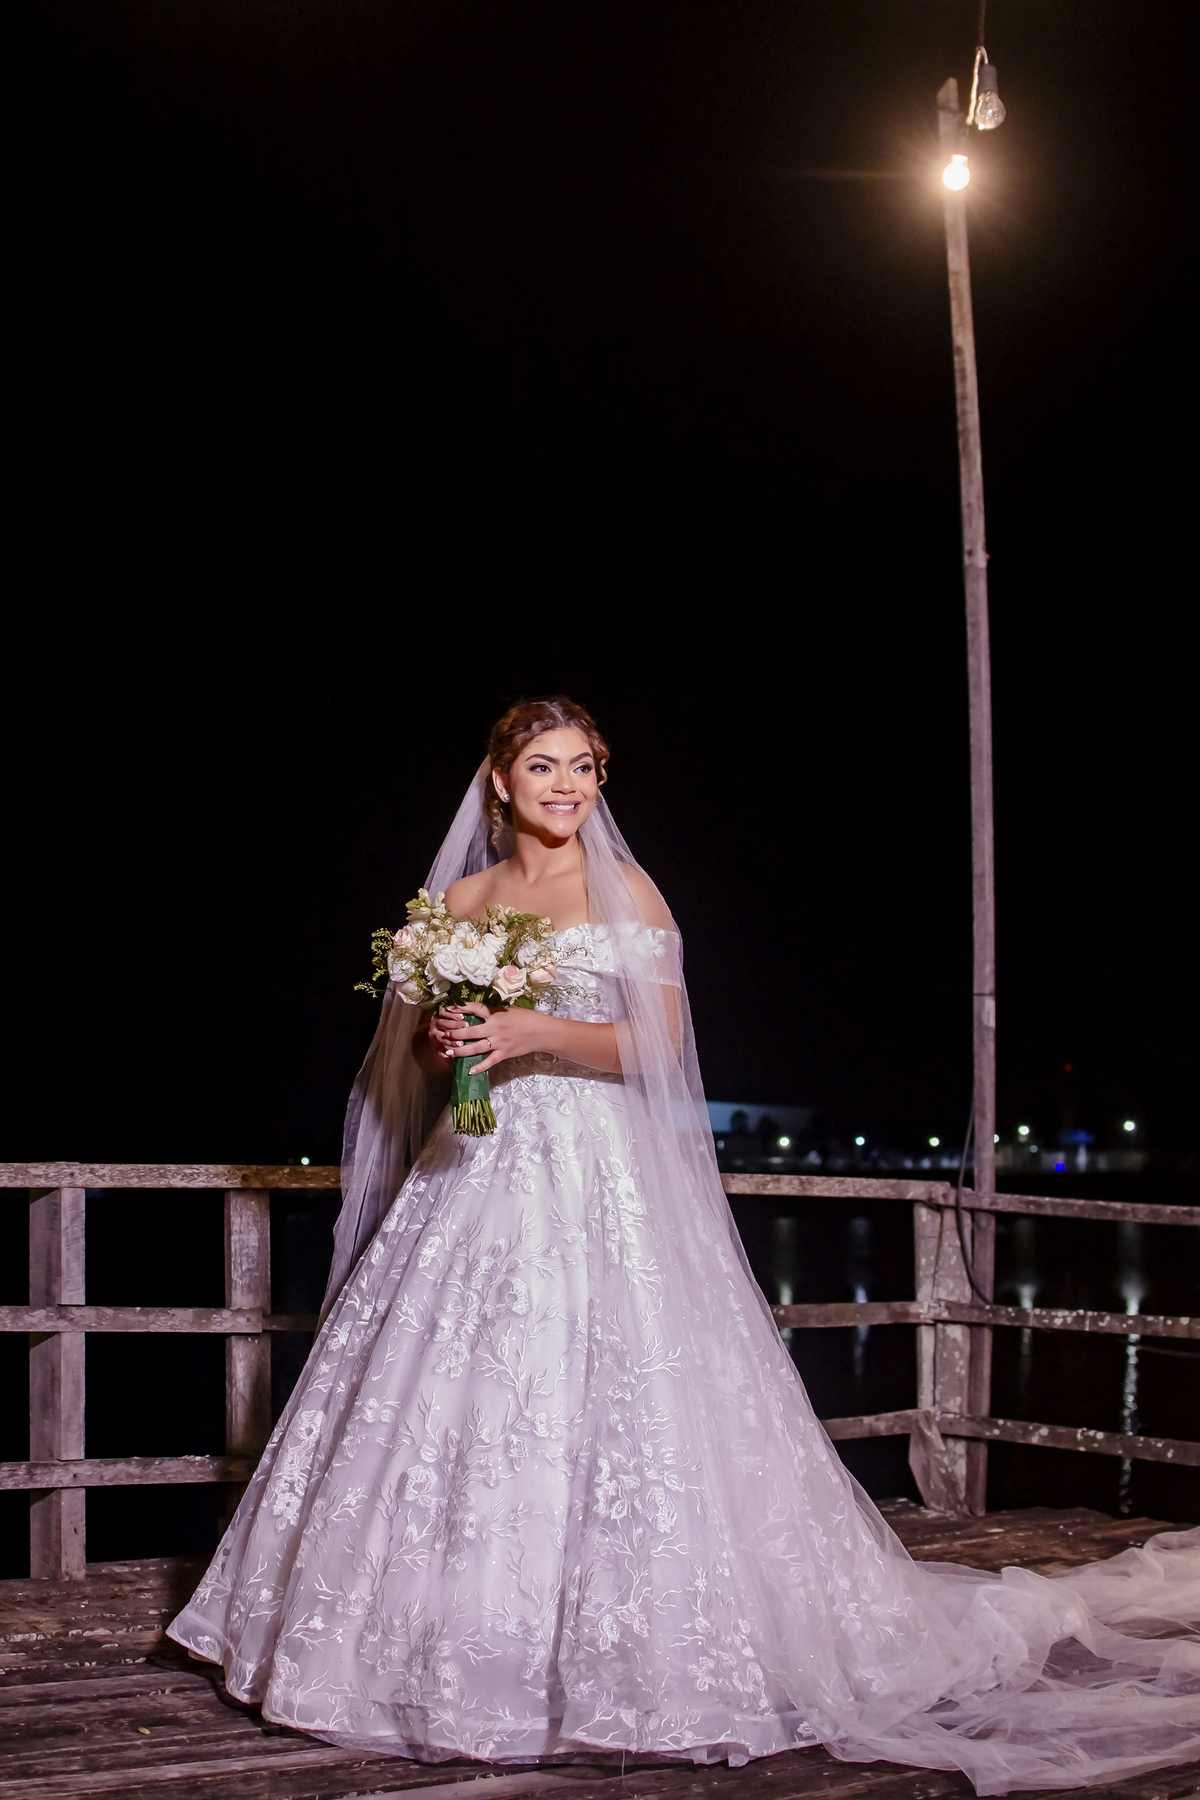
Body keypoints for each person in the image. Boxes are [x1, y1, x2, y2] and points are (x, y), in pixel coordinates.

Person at [169, 697, 1200, 1794]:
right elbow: (420, 1066)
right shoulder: (459, 902)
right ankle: (446, 1645)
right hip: (478, 1169)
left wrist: (530, 1028)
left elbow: (655, 1041)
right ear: (499, 782)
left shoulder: (628, 889)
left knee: (628, 1393)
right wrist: (450, 1041)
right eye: (542, 766)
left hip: (603, 1173)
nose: (566, 786)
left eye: (585, 767)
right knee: (456, 1392)